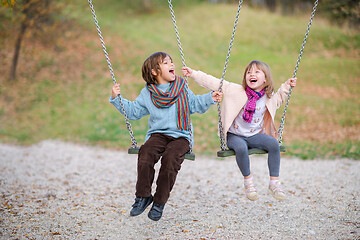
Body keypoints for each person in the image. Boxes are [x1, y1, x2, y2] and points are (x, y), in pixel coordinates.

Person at [109, 52, 222, 221]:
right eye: (166, 63)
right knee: (146, 152)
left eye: (171, 62)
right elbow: (133, 112)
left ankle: (159, 202)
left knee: (170, 159)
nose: (171, 65)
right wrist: (116, 98)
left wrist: (210, 98)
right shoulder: (148, 93)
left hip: (181, 135)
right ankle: (143, 196)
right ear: (155, 71)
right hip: (158, 134)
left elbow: (194, 104)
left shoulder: (182, 87)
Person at [182, 60, 296, 201]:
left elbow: (279, 98)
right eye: (248, 72)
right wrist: (193, 74)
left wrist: (287, 86)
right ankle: (248, 182)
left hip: (254, 135)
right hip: (234, 136)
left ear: (265, 79)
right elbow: (213, 82)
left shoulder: (268, 97)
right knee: (241, 148)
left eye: (256, 72)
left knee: (273, 144)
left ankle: (274, 183)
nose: (251, 74)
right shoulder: (234, 90)